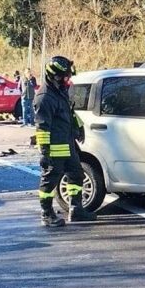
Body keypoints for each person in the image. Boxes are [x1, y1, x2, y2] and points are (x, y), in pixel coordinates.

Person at [34, 56, 96, 227]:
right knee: (49, 181)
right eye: (64, 76)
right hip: (54, 149)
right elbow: (42, 127)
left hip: (68, 145)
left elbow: (68, 113)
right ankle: (47, 214)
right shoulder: (44, 97)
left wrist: (79, 126)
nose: (67, 80)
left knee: (77, 175)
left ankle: (76, 210)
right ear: (53, 75)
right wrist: (45, 152)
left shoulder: (59, 91)